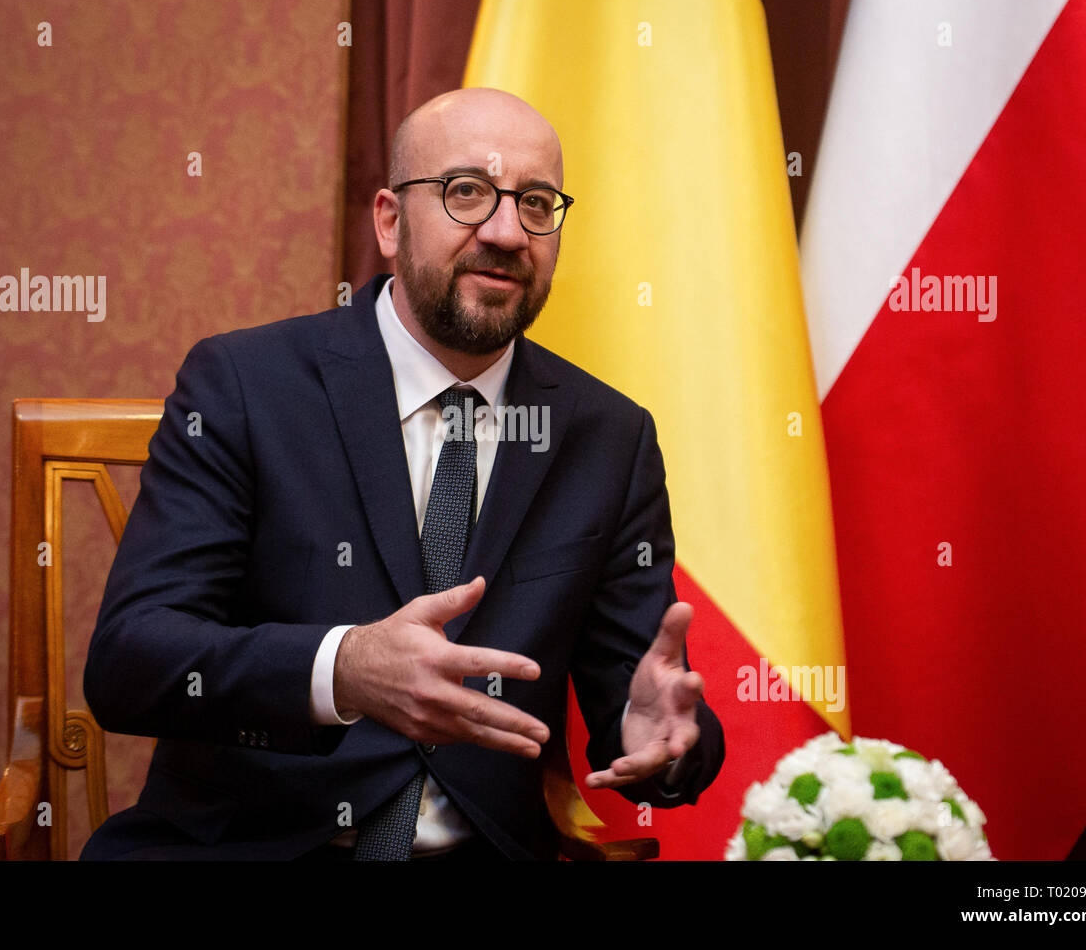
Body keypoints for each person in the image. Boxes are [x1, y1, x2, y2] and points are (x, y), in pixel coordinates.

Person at [81, 87, 725, 861]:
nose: (505, 231)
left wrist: (662, 737)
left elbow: (643, 691)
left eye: (536, 203)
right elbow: (131, 660)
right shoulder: (246, 386)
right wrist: (343, 669)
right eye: (466, 193)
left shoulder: (608, 437)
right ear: (389, 220)